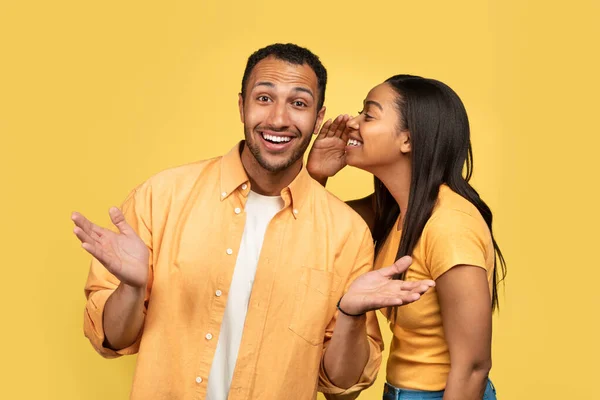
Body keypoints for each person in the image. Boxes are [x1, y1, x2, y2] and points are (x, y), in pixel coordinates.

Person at [71, 45, 434, 400]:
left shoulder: (346, 233)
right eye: (264, 98)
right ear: (241, 105)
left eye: (298, 103)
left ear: (318, 117)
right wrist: (132, 290)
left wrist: (351, 316)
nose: (278, 119)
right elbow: (111, 340)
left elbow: (342, 385)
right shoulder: (162, 197)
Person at [307, 74, 507, 400]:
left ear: (408, 141)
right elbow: (312, 232)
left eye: (368, 115)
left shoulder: (450, 226)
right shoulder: (393, 210)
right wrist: (316, 174)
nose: (352, 123)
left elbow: (473, 366)